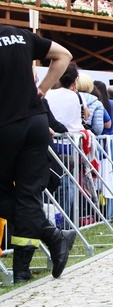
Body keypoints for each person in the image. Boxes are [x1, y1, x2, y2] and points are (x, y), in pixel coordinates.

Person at [0, 25, 76, 282]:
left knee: (18, 197)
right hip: (35, 122)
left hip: (5, 125)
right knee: (28, 194)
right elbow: (64, 55)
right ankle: (22, 270)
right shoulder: (20, 35)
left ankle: (50, 234)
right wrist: (42, 88)